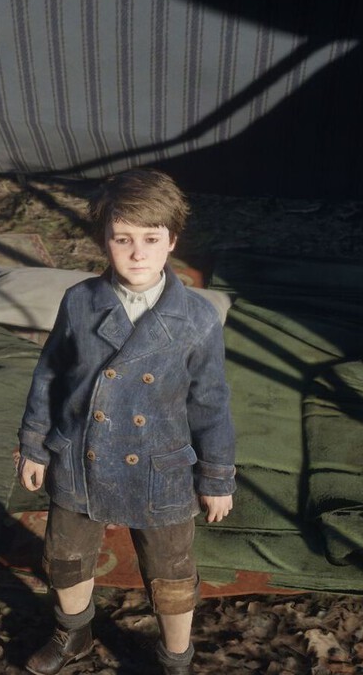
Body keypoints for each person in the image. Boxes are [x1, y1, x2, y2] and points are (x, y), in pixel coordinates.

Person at [16, 168, 236, 675]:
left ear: (172, 241)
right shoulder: (80, 301)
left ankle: (176, 658)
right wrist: (34, 445)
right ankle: (73, 633)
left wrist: (217, 477)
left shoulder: (197, 318)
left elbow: (211, 404)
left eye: (151, 239)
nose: (138, 254)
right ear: (104, 240)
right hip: (80, 454)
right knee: (66, 558)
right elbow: (50, 375)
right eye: (123, 239)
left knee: (171, 573)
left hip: (161, 465)